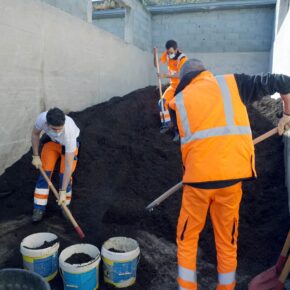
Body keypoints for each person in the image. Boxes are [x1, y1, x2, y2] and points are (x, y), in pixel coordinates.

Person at [169, 59, 290, 290]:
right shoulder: (233, 83)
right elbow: (285, 81)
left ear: (184, 80)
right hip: (232, 181)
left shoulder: (178, 102)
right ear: (205, 72)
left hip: (197, 184)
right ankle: (226, 287)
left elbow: (182, 141)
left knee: (187, 238)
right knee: (227, 239)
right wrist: (287, 114)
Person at [31, 107, 80, 222]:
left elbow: (68, 166)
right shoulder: (41, 119)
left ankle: (65, 205)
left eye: (60, 129)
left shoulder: (69, 132)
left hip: (68, 147)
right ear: (47, 124)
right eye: (54, 129)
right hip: (52, 143)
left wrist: (62, 191)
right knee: (44, 175)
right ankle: (38, 208)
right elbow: (35, 134)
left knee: (65, 177)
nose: (58, 131)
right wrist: (35, 155)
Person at [154, 39, 187, 140]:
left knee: (176, 108)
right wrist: (154, 55)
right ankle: (167, 124)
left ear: (176, 49)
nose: (169, 54)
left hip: (182, 86)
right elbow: (156, 64)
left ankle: (179, 132)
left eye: (171, 52)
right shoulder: (167, 54)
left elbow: (180, 75)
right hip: (173, 86)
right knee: (162, 103)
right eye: (168, 52)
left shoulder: (182, 59)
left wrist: (164, 75)